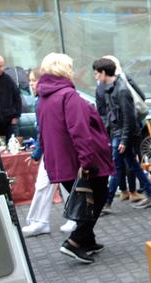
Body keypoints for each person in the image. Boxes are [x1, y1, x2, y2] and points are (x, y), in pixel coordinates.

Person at [36, 53, 114, 264]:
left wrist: (46, 159)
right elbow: (79, 131)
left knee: (86, 199)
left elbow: (42, 132)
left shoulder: (43, 98)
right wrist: (87, 161)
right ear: (64, 69)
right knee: (97, 197)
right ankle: (75, 242)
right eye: (70, 67)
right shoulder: (67, 95)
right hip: (80, 160)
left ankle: (88, 240)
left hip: (62, 162)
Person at [92, 58, 151, 212]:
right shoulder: (110, 87)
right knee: (130, 165)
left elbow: (129, 117)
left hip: (121, 135)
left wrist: (124, 140)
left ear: (103, 72)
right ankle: (150, 194)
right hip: (119, 134)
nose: (95, 77)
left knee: (116, 167)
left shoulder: (121, 90)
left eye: (96, 73)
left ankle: (106, 203)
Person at [21, 68, 76, 237]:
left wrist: (37, 152)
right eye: (30, 80)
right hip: (52, 149)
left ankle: (73, 218)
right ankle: (40, 221)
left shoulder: (48, 99)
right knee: (46, 184)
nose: (31, 84)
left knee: (65, 184)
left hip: (57, 149)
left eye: (33, 80)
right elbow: (43, 132)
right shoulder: (42, 100)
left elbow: (45, 131)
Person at [0, 53, 21, 144]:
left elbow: (17, 98)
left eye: (2, 66)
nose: (1, 69)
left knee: (12, 148)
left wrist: (16, 116)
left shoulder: (8, 80)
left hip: (9, 122)